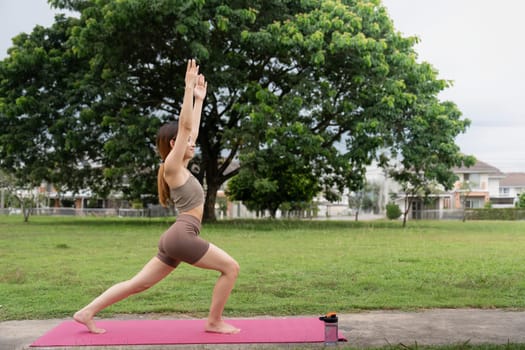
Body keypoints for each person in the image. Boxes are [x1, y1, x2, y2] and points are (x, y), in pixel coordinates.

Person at [74, 59, 240, 335]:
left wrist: (199, 100)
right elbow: (186, 127)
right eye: (186, 141)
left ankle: (86, 311)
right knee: (231, 268)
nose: (193, 143)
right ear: (174, 144)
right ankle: (213, 322)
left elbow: (191, 130)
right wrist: (187, 90)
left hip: (176, 236)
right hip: (183, 235)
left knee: (139, 283)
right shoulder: (172, 167)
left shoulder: (180, 166)